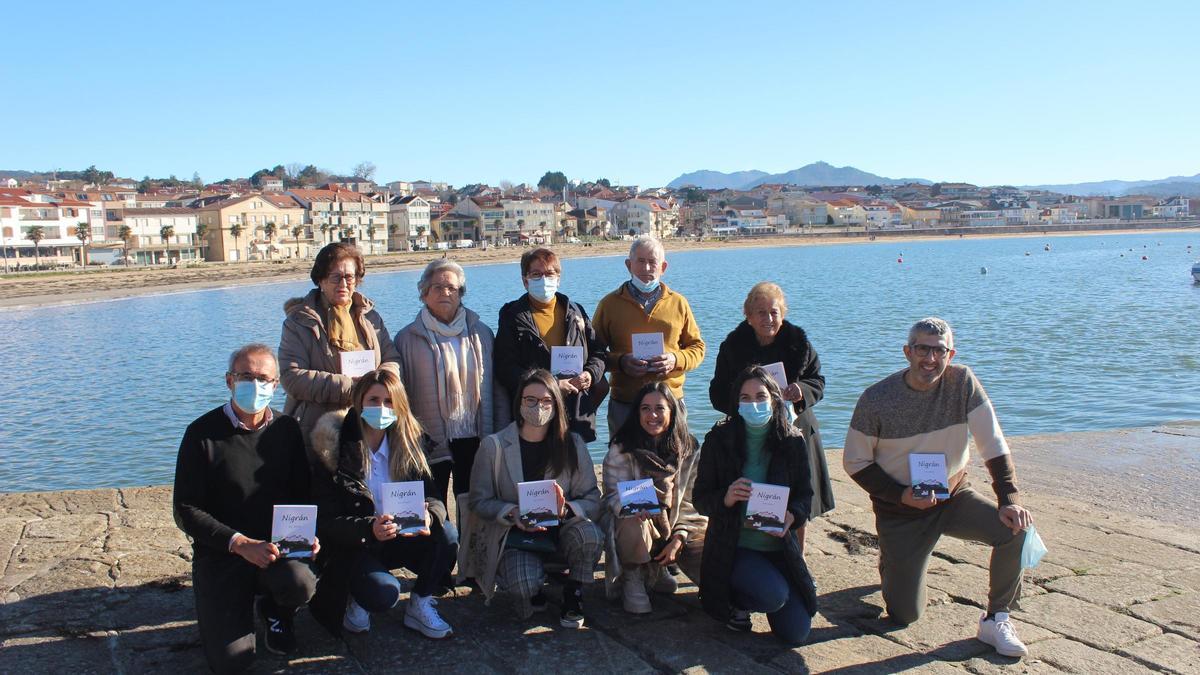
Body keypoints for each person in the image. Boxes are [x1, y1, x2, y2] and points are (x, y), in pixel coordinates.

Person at [843, 317, 1034, 658]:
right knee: (904, 615)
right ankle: (896, 561)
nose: (930, 359)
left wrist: (1009, 499)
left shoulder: (962, 382)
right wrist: (901, 495)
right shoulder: (876, 399)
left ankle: (996, 617)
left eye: (939, 351)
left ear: (950, 353)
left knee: (1016, 529)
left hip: (953, 496)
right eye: (922, 349)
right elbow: (855, 462)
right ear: (907, 351)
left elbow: (992, 442)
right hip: (901, 510)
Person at [173, 344, 318, 673]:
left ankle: (276, 611)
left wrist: (309, 534)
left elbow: (302, 493)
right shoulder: (201, 434)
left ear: (276, 384)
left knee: (301, 583)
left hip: (275, 550)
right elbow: (186, 508)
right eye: (246, 376)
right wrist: (239, 543)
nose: (255, 385)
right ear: (229, 380)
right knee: (231, 663)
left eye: (263, 378)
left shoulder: (287, 430)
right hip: (222, 553)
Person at [306, 369, 456, 639]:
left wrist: (429, 516)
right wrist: (368, 529)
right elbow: (325, 520)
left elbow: (433, 497)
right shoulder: (335, 449)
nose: (382, 408)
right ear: (359, 401)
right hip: (357, 544)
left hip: (401, 536)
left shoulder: (410, 443)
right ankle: (356, 595)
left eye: (389, 402)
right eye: (374, 400)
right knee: (383, 594)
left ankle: (420, 603)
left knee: (447, 534)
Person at [462, 369, 603, 628]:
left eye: (547, 401)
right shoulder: (493, 446)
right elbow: (478, 501)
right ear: (519, 403)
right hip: (518, 536)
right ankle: (534, 586)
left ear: (556, 405)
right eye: (531, 400)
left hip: (562, 530)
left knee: (590, 535)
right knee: (523, 585)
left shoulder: (573, 444)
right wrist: (511, 512)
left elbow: (593, 498)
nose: (539, 406)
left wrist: (567, 510)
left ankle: (574, 589)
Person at [692, 365, 816, 646]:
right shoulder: (719, 440)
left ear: (774, 399)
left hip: (779, 548)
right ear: (736, 403)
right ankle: (736, 601)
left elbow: (805, 497)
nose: (753, 404)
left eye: (760, 396)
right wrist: (726, 497)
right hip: (735, 547)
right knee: (774, 596)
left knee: (796, 634)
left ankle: (771, 587)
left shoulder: (792, 441)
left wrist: (792, 516)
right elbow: (700, 498)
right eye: (745, 398)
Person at [708, 282, 834, 524]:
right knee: (758, 501)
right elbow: (717, 393)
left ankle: (797, 557)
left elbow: (818, 381)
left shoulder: (800, 344)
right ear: (748, 316)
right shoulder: (732, 347)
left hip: (796, 428)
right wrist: (745, 401)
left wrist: (802, 390)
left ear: (783, 314)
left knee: (797, 503)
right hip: (751, 431)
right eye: (761, 313)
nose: (768, 318)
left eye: (774, 312)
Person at [395, 259, 498, 507]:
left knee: (474, 505)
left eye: (452, 288)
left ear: (461, 294)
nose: (445, 293)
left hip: (475, 434)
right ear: (424, 293)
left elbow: (496, 386)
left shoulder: (481, 333)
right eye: (437, 287)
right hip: (430, 437)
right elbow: (401, 393)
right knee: (433, 506)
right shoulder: (406, 338)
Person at [601, 382, 706, 614]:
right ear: (636, 413)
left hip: (673, 522)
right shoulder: (622, 447)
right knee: (631, 521)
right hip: (636, 524)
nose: (652, 415)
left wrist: (680, 536)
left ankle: (658, 568)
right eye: (645, 409)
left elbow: (692, 501)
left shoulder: (689, 447)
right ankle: (633, 574)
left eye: (660, 408)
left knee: (713, 581)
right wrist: (629, 508)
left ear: (672, 410)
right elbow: (611, 496)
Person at [279, 242, 401, 441]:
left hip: (370, 425)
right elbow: (292, 377)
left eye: (349, 277)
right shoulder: (299, 322)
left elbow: (392, 358)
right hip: (318, 431)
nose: (343, 284)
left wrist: (381, 384)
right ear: (321, 279)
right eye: (335, 277)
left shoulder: (370, 317)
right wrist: (353, 388)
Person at [494, 247, 608, 443]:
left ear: (558, 278)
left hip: (575, 413)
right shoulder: (512, 316)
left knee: (575, 470)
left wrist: (590, 374)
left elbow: (599, 352)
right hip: (534, 414)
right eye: (536, 274)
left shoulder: (576, 311)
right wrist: (551, 385)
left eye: (549, 274)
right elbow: (505, 368)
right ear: (525, 280)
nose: (544, 280)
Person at [592, 235, 705, 433]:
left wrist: (675, 359)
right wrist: (621, 362)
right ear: (629, 265)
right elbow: (593, 353)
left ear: (663, 267)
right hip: (625, 402)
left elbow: (697, 348)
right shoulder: (609, 304)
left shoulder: (679, 303)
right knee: (624, 461)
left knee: (673, 459)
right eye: (640, 261)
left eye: (652, 262)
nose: (646, 268)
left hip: (670, 400)